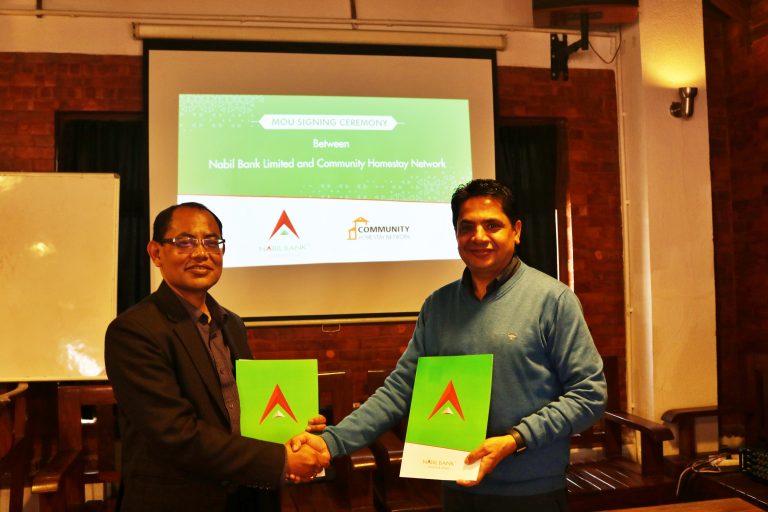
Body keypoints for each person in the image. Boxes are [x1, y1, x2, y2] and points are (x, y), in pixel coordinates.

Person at [311, 179, 607, 511]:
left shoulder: (553, 301)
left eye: (492, 225)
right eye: (467, 227)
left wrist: (516, 439)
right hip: (456, 486)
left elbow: (589, 395)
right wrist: (331, 443)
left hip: (531, 492)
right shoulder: (437, 307)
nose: (478, 236)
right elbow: (400, 391)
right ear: (456, 234)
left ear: (516, 231)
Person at [105, 202, 329, 512]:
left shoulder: (231, 323)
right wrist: (280, 460)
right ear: (156, 253)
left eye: (212, 242)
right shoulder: (133, 331)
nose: (201, 253)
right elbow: (176, 433)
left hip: (248, 494)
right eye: (185, 242)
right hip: (180, 499)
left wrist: (292, 430)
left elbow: (246, 411)